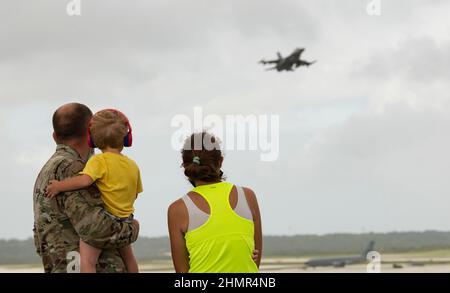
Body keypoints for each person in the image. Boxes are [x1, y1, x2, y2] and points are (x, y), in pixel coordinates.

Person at [33, 103, 139, 273]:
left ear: (54, 136)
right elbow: (97, 229)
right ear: (90, 133)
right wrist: (132, 228)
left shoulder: (49, 169)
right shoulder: (74, 169)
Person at [168, 132, 262, 273]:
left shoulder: (177, 209)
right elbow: (255, 257)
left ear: (186, 166)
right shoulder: (248, 196)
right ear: (221, 161)